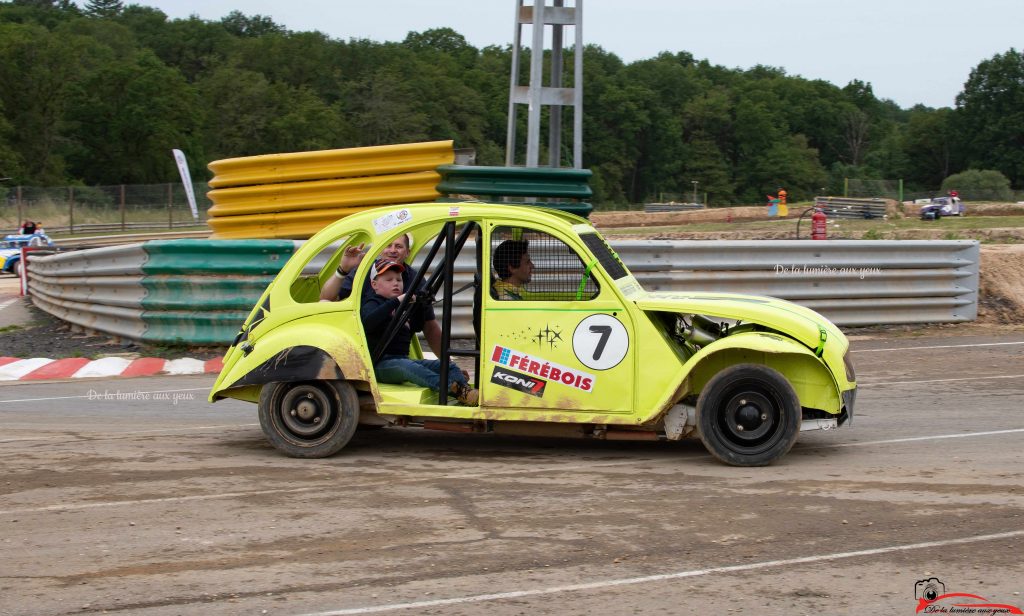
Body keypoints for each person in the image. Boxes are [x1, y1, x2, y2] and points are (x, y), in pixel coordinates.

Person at [361, 258, 478, 405]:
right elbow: (368, 322)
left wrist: (421, 303)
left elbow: (420, 325)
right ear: (374, 285)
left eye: (399, 279)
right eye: (389, 280)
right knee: (408, 367)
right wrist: (397, 301)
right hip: (380, 365)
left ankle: (465, 391)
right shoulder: (372, 302)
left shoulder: (404, 307)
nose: (396, 283)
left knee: (448, 365)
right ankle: (454, 389)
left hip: (402, 359)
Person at [319, 232, 443, 355]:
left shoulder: (415, 279)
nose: (393, 250)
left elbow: (429, 324)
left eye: (398, 246)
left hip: (396, 351)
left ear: (407, 252)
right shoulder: (363, 271)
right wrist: (343, 269)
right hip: (359, 346)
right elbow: (325, 299)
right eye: (388, 245)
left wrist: (446, 363)